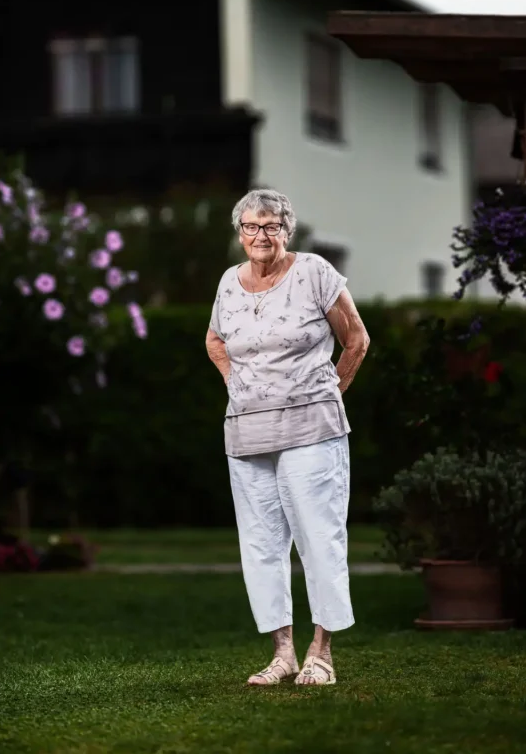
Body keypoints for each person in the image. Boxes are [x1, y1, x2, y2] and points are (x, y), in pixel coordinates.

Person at [206, 189, 369, 686]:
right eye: (252, 227)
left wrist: (327, 393)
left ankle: (322, 653)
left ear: (286, 231)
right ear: (240, 233)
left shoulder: (314, 272)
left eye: (272, 226)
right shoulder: (228, 283)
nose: (262, 235)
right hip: (247, 433)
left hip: (311, 430)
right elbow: (214, 340)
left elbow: (356, 339)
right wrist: (237, 384)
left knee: (318, 539)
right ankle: (283, 654)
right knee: (261, 544)